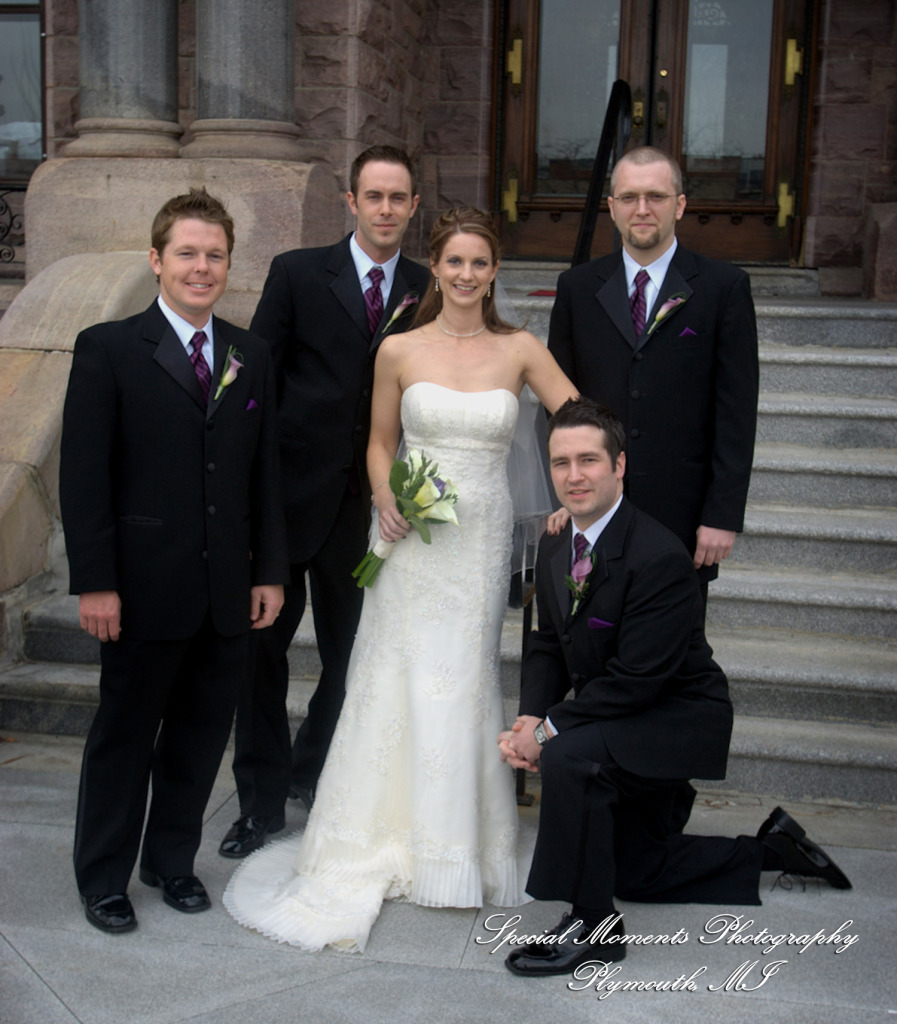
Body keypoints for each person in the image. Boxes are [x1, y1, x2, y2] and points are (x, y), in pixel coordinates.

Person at [223, 206, 578, 952]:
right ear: (436, 268)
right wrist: (384, 495)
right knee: (393, 671)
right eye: (453, 262)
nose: (465, 275)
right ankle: (376, 832)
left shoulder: (519, 349)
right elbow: (380, 441)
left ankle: (459, 848)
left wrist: (573, 492)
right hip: (410, 538)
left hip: (478, 540)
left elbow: (573, 414)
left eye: (479, 264)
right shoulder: (399, 349)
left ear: (493, 272)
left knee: (462, 675)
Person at [497, 397, 852, 977]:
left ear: (619, 466)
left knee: (571, 757)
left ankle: (593, 928)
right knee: (638, 872)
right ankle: (772, 850)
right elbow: (544, 645)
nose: (574, 475)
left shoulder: (658, 555)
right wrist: (528, 716)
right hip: (621, 712)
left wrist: (551, 729)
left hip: (673, 716)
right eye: (561, 463)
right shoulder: (558, 541)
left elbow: (639, 680)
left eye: (589, 460)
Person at [59, 188, 289, 934]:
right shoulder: (108, 348)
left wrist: (269, 571)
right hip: (140, 586)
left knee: (198, 735)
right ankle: (103, 878)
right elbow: (83, 476)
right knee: (125, 737)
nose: (201, 267)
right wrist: (95, 581)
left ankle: (171, 861)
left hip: (224, 588)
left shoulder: (249, 355)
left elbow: (263, 476)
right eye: (186, 253)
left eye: (214, 255)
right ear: (156, 260)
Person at [219, 146, 431, 860]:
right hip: (285, 499)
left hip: (368, 509)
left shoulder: (429, 286)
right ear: (350, 200)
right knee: (262, 653)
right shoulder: (297, 272)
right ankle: (257, 801)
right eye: (373, 196)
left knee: (351, 659)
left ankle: (312, 771)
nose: (384, 209)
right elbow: (253, 382)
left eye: (397, 198)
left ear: (412, 205)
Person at [547, 147, 759, 610]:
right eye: (629, 197)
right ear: (612, 207)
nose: (641, 209)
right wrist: (563, 492)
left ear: (679, 205)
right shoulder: (577, 288)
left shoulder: (723, 288)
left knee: (675, 652)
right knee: (593, 642)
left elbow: (736, 411)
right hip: (593, 507)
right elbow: (558, 407)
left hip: (680, 514)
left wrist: (721, 515)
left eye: (656, 197)